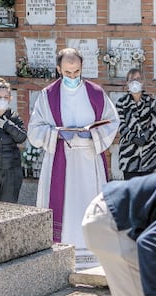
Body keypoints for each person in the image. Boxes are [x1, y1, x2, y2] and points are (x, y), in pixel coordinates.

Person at [27, 47, 118, 254]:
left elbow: (112, 121)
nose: (73, 76)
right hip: (61, 157)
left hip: (89, 159)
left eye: (76, 72)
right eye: (68, 72)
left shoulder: (95, 93)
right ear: (59, 69)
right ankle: (62, 250)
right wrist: (56, 133)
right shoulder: (48, 96)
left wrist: (93, 134)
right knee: (65, 208)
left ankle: (93, 251)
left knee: (89, 203)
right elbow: (34, 129)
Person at [115, 68, 156, 179]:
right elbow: (120, 123)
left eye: (138, 79)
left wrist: (145, 137)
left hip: (149, 156)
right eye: (132, 79)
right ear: (127, 82)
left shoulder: (151, 102)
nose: (135, 81)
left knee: (149, 192)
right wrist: (133, 138)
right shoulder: (121, 103)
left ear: (142, 82)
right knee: (132, 192)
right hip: (129, 156)